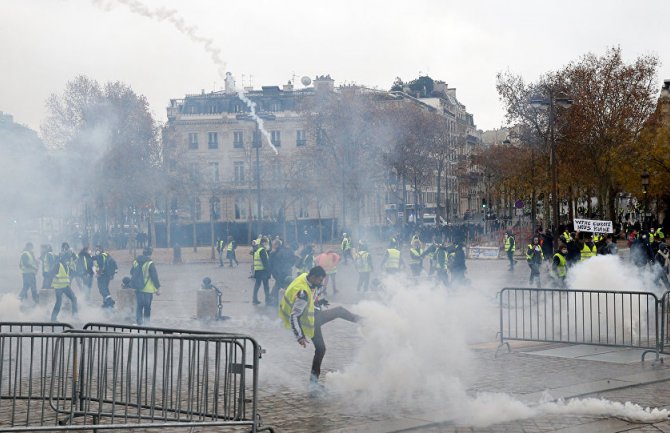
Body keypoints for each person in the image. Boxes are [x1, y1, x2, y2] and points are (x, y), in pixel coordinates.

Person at [278, 266, 360, 390]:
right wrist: (299, 336)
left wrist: (318, 302)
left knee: (321, 349)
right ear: (313, 277)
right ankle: (363, 321)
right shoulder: (303, 293)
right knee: (340, 311)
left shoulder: (304, 277)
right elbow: (294, 316)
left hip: (311, 320)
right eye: (320, 281)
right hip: (311, 321)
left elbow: (310, 296)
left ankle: (313, 384)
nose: (321, 284)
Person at [131, 247, 161, 325]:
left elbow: (131, 272)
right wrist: (158, 288)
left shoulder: (135, 261)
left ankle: (139, 323)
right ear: (150, 254)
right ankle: (147, 323)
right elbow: (154, 276)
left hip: (138, 288)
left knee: (139, 306)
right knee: (147, 307)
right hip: (148, 289)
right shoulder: (150, 263)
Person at [50, 248, 78, 322]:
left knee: (74, 299)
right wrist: (54, 276)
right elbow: (51, 272)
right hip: (58, 287)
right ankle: (53, 319)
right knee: (59, 302)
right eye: (67, 258)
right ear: (63, 258)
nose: (68, 260)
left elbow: (72, 272)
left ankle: (75, 316)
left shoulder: (66, 266)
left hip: (65, 286)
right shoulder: (58, 264)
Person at [269, 239, 296, 306]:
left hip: (279, 273)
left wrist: (273, 273)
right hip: (287, 272)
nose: (272, 246)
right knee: (283, 286)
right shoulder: (289, 250)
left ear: (277, 245)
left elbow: (271, 264)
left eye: (273, 245)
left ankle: (276, 301)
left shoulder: (275, 253)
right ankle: (275, 299)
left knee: (279, 286)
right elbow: (293, 260)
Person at [252, 237, 271, 305]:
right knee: (266, 286)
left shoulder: (257, 250)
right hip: (263, 271)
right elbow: (265, 262)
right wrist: (268, 272)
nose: (268, 244)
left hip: (258, 270)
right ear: (263, 243)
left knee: (257, 285)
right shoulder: (262, 250)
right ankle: (267, 300)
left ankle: (254, 299)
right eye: (267, 243)